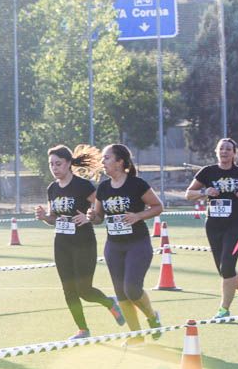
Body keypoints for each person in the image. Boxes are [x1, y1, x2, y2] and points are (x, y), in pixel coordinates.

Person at [34, 144, 124, 340]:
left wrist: (89, 216)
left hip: (84, 243)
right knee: (68, 289)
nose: (54, 168)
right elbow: (53, 218)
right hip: (62, 244)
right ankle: (83, 330)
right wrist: (43, 217)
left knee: (84, 290)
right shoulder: (53, 189)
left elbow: (100, 210)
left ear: (68, 164)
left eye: (58, 163)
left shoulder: (82, 186)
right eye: (51, 164)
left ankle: (109, 303)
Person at [91, 144, 164, 346]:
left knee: (132, 288)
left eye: (106, 158)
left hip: (137, 244)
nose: (103, 162)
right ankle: (136, 335)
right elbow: (98, 217)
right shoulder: (103, 188)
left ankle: (152, 317)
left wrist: (138, 215)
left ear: (120, 161)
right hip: (113, 246)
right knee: (121, 292)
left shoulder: (136, 184)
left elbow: (158, 206)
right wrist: (92, 216)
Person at [185, 138, 238, 319]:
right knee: (223, 269)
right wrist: (204, 193)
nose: (225, 152)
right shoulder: (208, 172)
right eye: (221, 149)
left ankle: (223, 309)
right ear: (216, 152)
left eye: (228, 149)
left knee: (227, 266)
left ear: (235, 153)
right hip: (214, 225)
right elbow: (189, 194)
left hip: (236, 225)